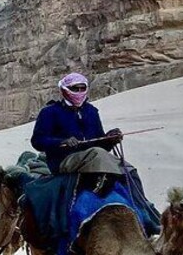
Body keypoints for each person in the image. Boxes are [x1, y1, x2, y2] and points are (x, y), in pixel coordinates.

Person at [31, 72, 160, 233]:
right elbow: (37, 141)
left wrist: (110, 139)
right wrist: (61, 142)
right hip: (64, 160)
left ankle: (145, 211)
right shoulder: (50, 112)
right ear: (63, 90)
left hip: (93, 157)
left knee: (129, 170)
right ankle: (101, 193)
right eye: (74, 88)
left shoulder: (91, 111)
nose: (78, 92)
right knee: (97, 154)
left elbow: (99, 143)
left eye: (82, 88)